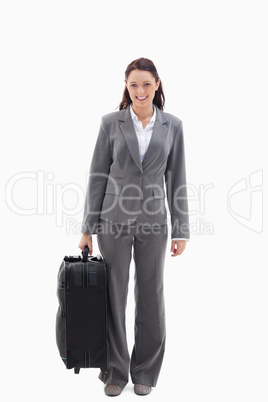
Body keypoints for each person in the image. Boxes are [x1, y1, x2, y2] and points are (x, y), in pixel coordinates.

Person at [78, 57, 190, 396]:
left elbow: (177, 178)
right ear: (126, 88)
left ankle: (146, 371)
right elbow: (97, 175)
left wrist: (181, 228)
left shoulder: (173, 126)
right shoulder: (110, 124)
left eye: (145, 83)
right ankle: (114, 370)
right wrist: (87, 228)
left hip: (155, 222)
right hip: (112, 219)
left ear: (157, 84)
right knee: (113, 294)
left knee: (151, 296)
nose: (139, 90)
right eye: (133, 85)